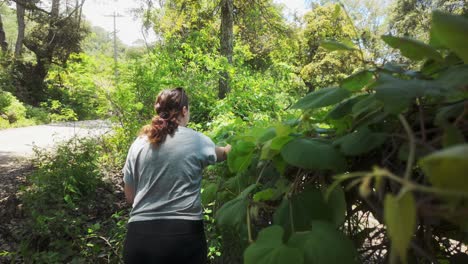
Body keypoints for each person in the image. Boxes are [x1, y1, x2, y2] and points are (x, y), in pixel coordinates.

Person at [122, 87, 231, 264]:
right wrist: (231, 148)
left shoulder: (139, 143)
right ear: (184, 110)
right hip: (183, 237)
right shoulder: (197, 140)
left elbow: (130, 197)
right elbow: (222, 154)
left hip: (139, 238)